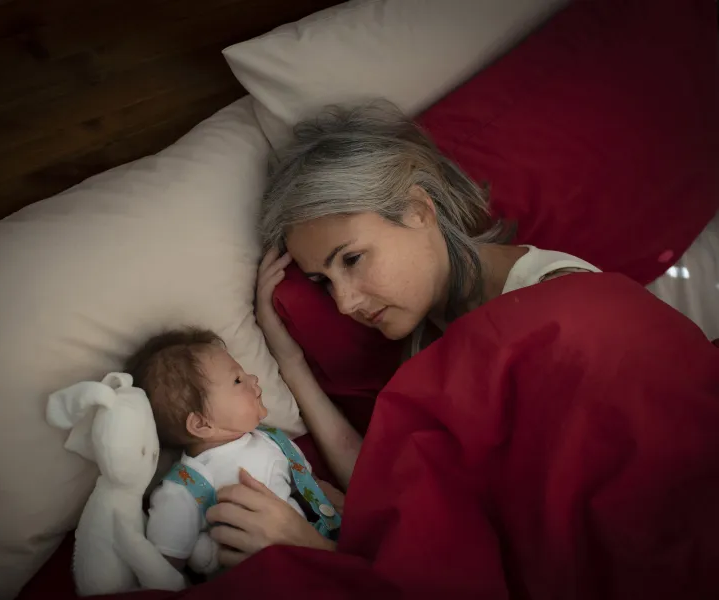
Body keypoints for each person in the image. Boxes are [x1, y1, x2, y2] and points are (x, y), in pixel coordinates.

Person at [204, 101, 601, 565]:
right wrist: (288, 360)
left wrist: (316, 552)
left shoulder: (557, 309)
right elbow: (389, 486)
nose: (344, 303)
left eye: (351, 259)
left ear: (417, 209)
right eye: (322, 281)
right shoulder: (436, 332)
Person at [124, 328, 341, 574]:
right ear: (201, 424)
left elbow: (307, 485)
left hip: (317, 551)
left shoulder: (272, 438)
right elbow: (163, 568)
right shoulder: (185, 486)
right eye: (237, 380)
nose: (254, 379)